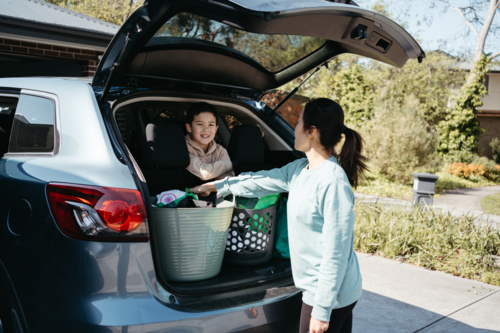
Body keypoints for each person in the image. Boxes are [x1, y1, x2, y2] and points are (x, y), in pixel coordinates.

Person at [191, 98, 368, 333]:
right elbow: (261, 180)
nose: (293, 128)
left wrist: (322, 311)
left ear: (312, 132)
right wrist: (218, 186)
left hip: (330, 295)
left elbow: (337, 252)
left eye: (298, 122)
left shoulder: (331, 182)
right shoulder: (298, 170)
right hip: (325, 290)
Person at [184, 102, 234, 181]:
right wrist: (226, 164)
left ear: (216, 129)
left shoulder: (220, 150)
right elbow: (205, 173)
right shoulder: (183, 148)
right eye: (200, 124)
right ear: (189, 127)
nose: (206, 129)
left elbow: (231, 178)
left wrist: (207, 165)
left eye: (210, 125)